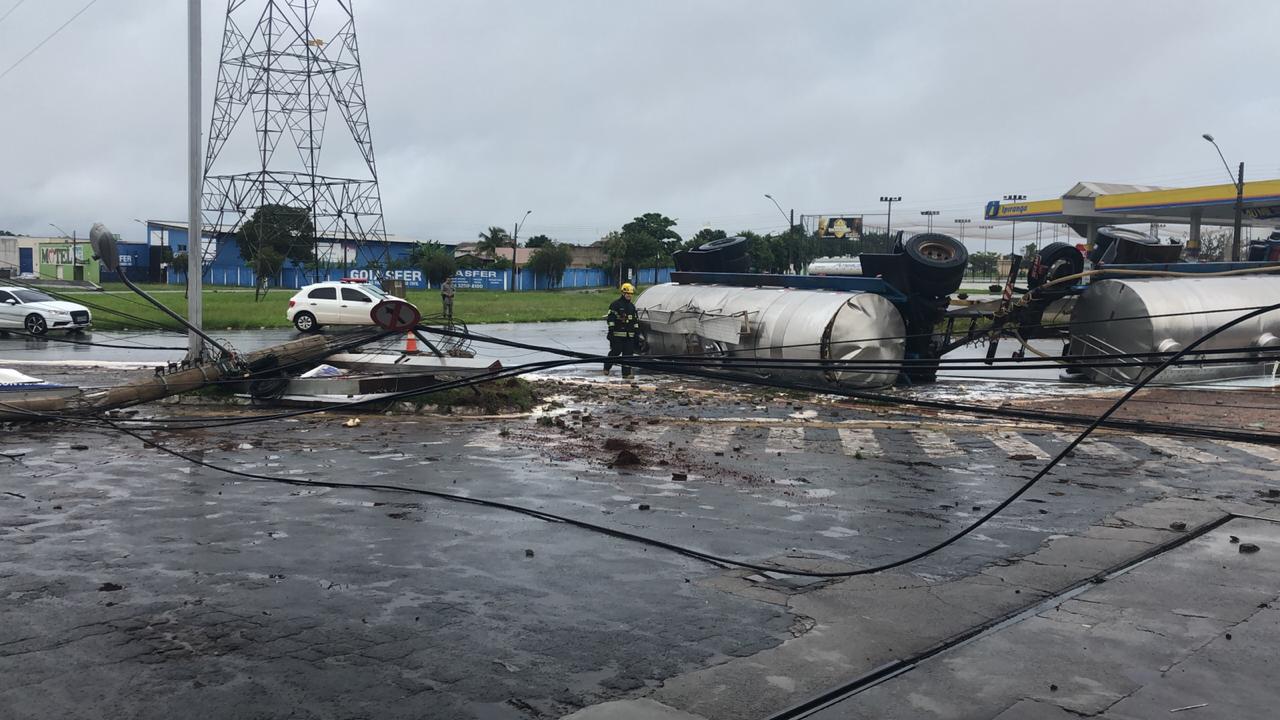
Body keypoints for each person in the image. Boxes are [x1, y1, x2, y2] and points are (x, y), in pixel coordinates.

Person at [604, 282, 639, 378]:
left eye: (631, 294)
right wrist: (611, 331)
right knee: (616, 352)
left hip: (629, 336)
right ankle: (607, 367)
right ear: (623, 293)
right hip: (617, 335)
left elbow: (635, 321)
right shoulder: (615, 305)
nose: (629, 295)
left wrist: (636, 333)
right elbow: (610, 318)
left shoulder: (632, 307)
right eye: (627, 293)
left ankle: (626, 374)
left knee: (628, 355)